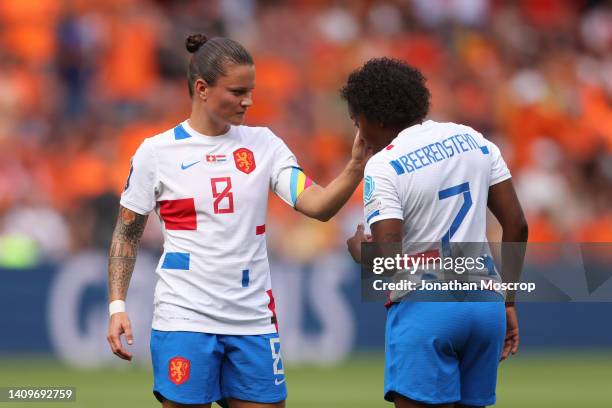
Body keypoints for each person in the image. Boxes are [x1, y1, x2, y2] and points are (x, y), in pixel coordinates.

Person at [106, 34, 371, 408]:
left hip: (252, 319)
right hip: (185, 317)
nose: (248, 100)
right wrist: (117, 307)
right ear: (201, 88)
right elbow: (125, 234)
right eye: (237, 91)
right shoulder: (157, 153)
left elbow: (318, 205)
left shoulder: (265, 144)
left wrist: (356, 165)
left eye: (251, 90)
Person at [344, 58, 528, 408]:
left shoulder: (384, 165)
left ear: (377, 119)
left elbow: (389, 261)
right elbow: (517, 224)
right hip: (485, 306)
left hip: (426, 309)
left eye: (357, 122)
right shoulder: (472, 139)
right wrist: (509, 300)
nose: (358, 134)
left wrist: (358, 251)